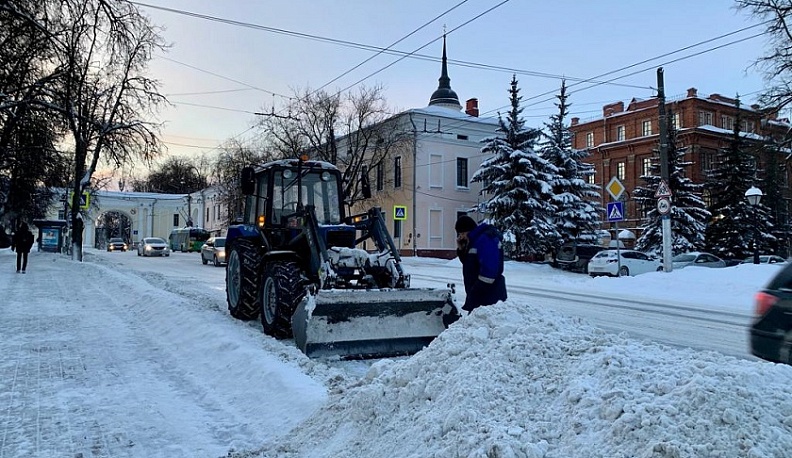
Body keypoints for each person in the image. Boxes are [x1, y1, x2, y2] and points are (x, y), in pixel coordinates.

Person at [455, 215, 507, 313]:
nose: (460, 237)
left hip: (489, 298)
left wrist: (475, 292)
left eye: (462, 233)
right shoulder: (474, 242)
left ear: (469, 230)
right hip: (481, 298)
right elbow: (471, 266)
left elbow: (489, 272)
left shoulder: (485, 239)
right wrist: (462, 250)